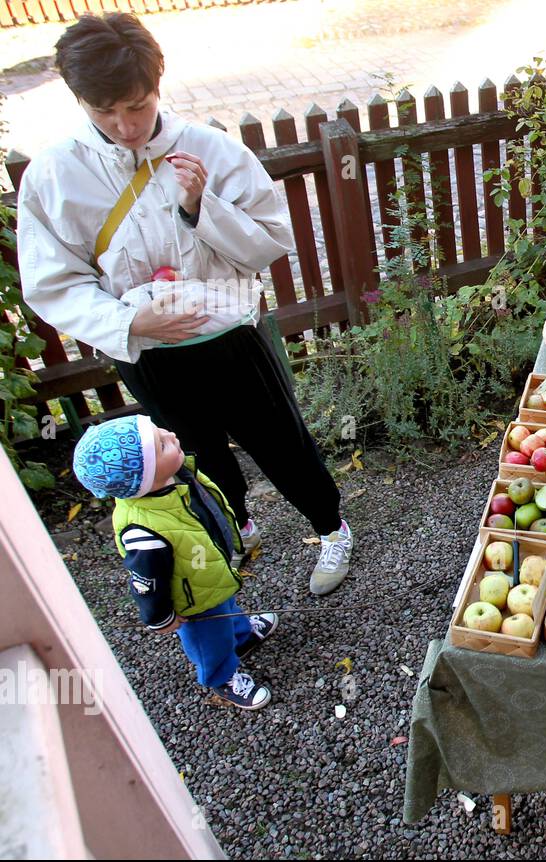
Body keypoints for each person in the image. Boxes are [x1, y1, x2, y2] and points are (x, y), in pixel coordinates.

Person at [17, 12, 354, 596]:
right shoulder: (55, 174)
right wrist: (127, 321)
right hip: (147, 351)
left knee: (282, 443)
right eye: (104, 112)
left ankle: (331, 528)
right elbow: (51, 282)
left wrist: (202, 208)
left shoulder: (209, 149)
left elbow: (271, 241)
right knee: (194, 456)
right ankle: (236, 526)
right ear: (79, 101)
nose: (125, 127)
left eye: (137, 105)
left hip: (230, 339)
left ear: (158, 85)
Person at [72, 415, 278, 710]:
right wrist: (160, 617)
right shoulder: (143, 529)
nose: (171, 434)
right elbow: (146, 581)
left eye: (161, 431)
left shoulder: (176, 478)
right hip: (191, 599)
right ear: (143, 476)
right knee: (209, 639)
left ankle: (242, 636)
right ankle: (222, 677)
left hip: (208, 574)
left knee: (227, 609)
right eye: (161, 444)